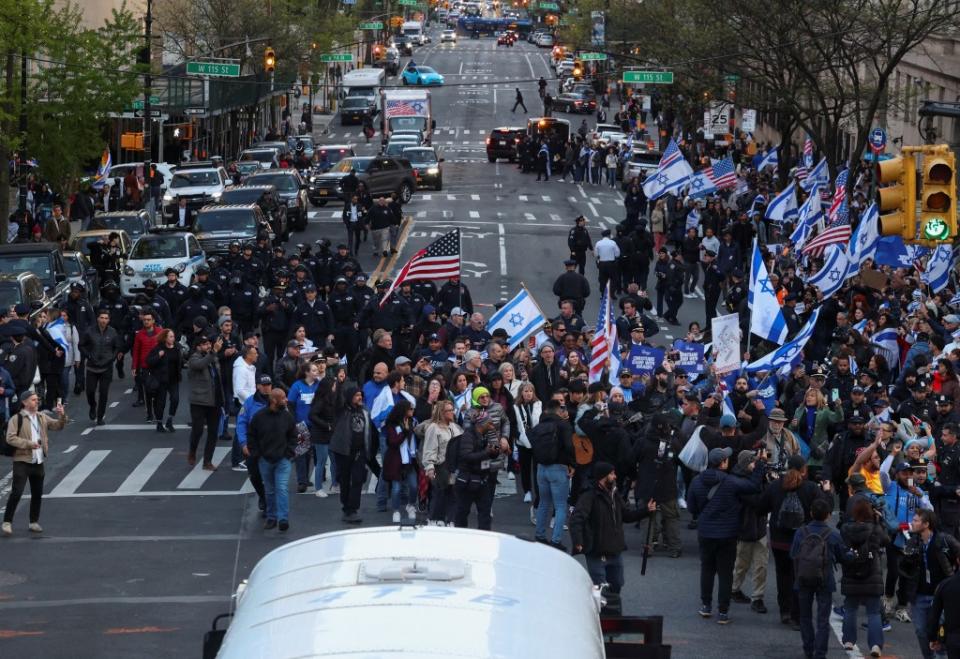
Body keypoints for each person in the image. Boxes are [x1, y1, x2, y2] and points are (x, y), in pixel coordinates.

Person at [687, 446, 765, 623]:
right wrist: (760, 464)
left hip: (706, 531)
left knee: (706, 569)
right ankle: (723, 611)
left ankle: (706, 606)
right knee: (725, 573)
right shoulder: (730, 482)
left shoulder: (697, 481)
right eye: (726, 459)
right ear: (722, 463)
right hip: (727, 534)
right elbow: (753, 486)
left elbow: (691, 508)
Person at [570, 461, 657, 602]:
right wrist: (578, 541)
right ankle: (601, 615)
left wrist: (646, 511)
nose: (615, 476)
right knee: (600, 587)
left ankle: (612, 609)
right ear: (602, 477)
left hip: (615, 549)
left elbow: (626, 515)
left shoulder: (615, 495)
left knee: (617, 584)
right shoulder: (589, 496)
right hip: (596, 551)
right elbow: (576, 519)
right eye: (611, 474)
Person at [791, 498, 851, 659]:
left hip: (803, 578)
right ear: (829, 515)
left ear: (810, 513)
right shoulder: (832, 534)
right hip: (825, 578)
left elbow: (793, 554)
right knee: (823, 619)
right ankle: (820, 653)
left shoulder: (801, 532)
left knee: (805, 616)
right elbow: (843, 556)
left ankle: (808, 650)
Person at [1, 392, 67, 536]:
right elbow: (10, 438)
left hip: (38, 461)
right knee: (17, 492)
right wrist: (29, 444)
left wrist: (62, 415)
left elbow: (57, 426)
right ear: (25, 402)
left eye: (37, 399)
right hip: (22, 460)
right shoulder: (16, 419)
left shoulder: (41, 416)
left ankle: (33, 521)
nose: (37, 402)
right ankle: (7, 522)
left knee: (37, 493)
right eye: (33, 400)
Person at [900, 509, 960, 659]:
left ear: (926, 524)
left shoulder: (944, 540)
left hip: (940, 594)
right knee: (921, 631)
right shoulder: (913, 541)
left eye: (916, 520)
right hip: (919, 594)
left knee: (941, 631)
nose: (912, 523)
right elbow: (903, 569)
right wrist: (908, 559)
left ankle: (941, 655)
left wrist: (954, 578)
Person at [839, 497, 889, 657]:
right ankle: (875, 645)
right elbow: (886, 541)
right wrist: (879, 522)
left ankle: (848, 641)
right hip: (871, 574)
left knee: (850, 608)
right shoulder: (874, 528)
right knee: (873, 612)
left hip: (851, 572)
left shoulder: (846, 529)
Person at [247, 388, 297, 532]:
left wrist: (288, 453)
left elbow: (293, 436)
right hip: (265, 460)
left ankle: (282, 519)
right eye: (283, 398)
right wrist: (257, 454)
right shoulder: (259, 417)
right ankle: (272, 517)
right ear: (274, 400)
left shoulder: (287, 417)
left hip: (283, 460)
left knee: (281, 488)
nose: (286, 400)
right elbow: (252, 436)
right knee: (269, 490)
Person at [533, 398, 576, 550]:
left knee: (544, 502)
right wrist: (573, 464)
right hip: (558, 468)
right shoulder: (563, 426)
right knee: (560, 506)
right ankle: (556, 540)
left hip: (541, 468)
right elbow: (570, 447)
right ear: (559, 410)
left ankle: (540, 535)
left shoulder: (539, 426)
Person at [453, 411, 508, 530]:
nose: (492, 426)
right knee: (462, 512)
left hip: (482, 480)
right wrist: (487, 452)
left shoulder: (485, 435)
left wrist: (495, 451)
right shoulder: (468, 436)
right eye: (490, 423)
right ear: (482, 424)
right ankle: (459, 539)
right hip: (467, 481)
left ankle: (485, 539)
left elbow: (486, 454)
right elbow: (466, 456)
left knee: (485, 513)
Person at [329, 386, 372, 523]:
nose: (359, 397)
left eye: (361, 395)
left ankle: (353, 509)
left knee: (358, 478)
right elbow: (336, 400)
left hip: (360, 452)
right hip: (343, 451)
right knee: (345, 479)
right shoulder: (342, 410)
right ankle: (346, 508)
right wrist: (339, 383)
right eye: (356, 395)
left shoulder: (365, 411)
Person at [187, 335, 226, 470]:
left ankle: (207, 461)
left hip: (214, 400)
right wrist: (213, 351)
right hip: (199, 401)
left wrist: (222, 399)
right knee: (197, 429)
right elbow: (199, 365)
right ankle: (192, 450)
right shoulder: (194, 358)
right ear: (198, 347)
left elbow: (218, 378)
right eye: (204, 344)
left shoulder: (213, 357)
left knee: (213, 432)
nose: (208, 346)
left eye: (209, 343)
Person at [80, 309, 123, 425]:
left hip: (106, 367)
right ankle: (92, 405)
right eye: (102, 318)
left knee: (103, 393)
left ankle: (100, 417)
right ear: (98, 318)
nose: (103, 320)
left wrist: (112, 358)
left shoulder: (113, 332)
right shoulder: (89, 331)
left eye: (106, 318)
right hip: (91, 367)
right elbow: (81, 345)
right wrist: (88, 355)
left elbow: (117, 347)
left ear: (109, 320)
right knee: (90, 391)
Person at [236, 374, 272, 515]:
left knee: (271, 477)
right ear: (257, 386)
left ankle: (270, 503)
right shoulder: (250, 402)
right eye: (263, 385)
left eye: (268, 384)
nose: (266, 387)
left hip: (271, 445)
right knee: (254, 475)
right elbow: (241, 423)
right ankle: (263, 496)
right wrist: (243, 443)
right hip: (254, 445)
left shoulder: (275, 400)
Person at [423, 399, 462, 526]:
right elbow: (430, 449)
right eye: (448, 410)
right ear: (441, 412)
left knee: (454, 494)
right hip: (440, 466)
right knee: (440, 494)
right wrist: (430, 467)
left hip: (454, 466)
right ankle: (434, 520)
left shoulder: (455, 427)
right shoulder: (433, 428)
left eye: (452, 410)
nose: (452, 412)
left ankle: (451, 520)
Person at [383, 399, 419, 523]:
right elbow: (393, 442)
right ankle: (396, 510)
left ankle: (411, 505)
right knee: (396, 488)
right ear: (404, 410)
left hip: (411, 460)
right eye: (410, 409)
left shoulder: (414, 422)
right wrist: (405, 432)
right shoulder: (392, 424)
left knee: (414, 486)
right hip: (396, 460)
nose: (413, 411)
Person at [287, 361, 321, 493]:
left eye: (316, 370)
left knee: (313, 453)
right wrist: (294, 422)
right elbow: (290, 405)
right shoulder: (297, 386)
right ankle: (302, 481)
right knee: (302, 453)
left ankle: (310, 477)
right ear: (306, 372)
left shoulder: (319, 385)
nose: (316, 372)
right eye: (313, 370)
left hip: (317, 424)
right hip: (301, 424)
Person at [145, 329, 181, 433]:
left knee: (175, 399)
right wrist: (158, 356)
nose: (172, 338)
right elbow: (148, 361)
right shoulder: (158, 348)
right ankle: (159, 423)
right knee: (160, 403)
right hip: (161, 380)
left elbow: (179, 361)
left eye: (173, 336)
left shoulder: (177, 348)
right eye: (170, 336)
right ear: (165, 338)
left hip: (174, 379)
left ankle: (170, 420)